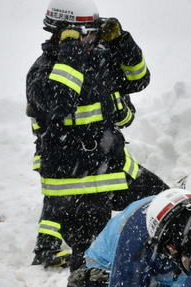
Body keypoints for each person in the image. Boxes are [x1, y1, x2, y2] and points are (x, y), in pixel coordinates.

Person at [26, 0, 167, 269]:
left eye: (96, 30)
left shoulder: (96, 57)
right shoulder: (41, 73)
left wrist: (121, 41)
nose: (94, 38)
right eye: (87, 32)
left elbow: (138, 79)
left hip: (113, 169)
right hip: (77, 185)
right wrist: (71, 52)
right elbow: (62, 102)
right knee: (92, 262)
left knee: (165, 206)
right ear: (65, 34)